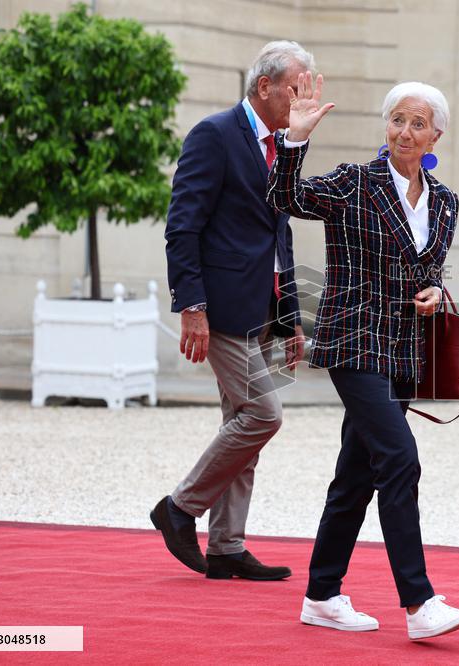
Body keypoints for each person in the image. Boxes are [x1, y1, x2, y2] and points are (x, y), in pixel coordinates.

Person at [267, 74, 459, 640]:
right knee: (400, 459)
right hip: (354, 344)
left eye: (418, 123)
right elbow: (285, 198)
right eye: (397, 120)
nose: (405, 131)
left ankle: (321, 595)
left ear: (436, 136)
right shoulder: (353, 183)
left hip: (403, 352)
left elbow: (428, 274)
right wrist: (293, 142)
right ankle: (419, 602)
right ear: (387, 126)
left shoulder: (447, 203)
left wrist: (434, 293)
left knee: (354, 478)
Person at [151, 41, 310, 581]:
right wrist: (191, 305)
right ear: (263, 86)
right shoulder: (214, 135)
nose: (303, 96)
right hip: (220, 307)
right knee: (264, 415)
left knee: (242, 423)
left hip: (261, 307)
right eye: (296, 86)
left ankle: (225, 546)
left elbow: (278, 232)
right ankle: (178, 509)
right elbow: (183, 227)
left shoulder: (284, 145)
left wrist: (288, 315)